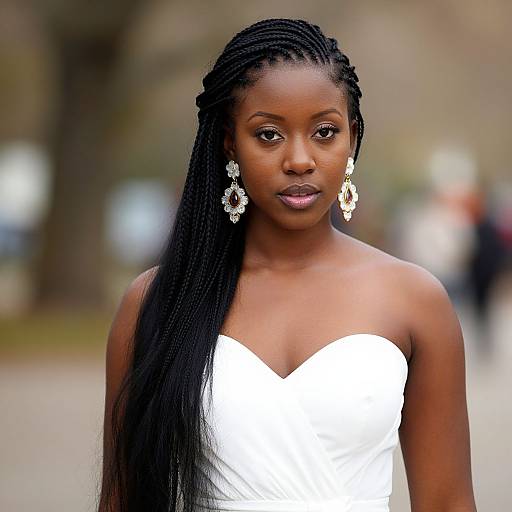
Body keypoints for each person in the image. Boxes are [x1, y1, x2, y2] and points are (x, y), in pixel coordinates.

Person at [98, 18, 477, 512]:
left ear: (353, 138)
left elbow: (447, 502)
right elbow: (121, 502)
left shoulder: (414, 300)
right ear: (230, 142)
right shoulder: (158, 301)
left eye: (324, 132)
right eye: (269, 135)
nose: (300, 160)